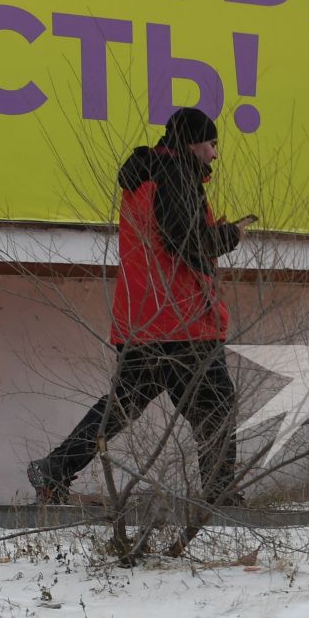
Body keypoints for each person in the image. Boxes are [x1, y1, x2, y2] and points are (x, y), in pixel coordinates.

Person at [28, 107, 258, 505]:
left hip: (144, 319)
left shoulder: (146, 176)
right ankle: (220, 496)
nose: (215, 154)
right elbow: (186, 243)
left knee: (121, 408)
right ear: (192, 143)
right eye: (211, 144)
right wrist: (228, 235)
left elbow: (169, 239)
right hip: (180, 321)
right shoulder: (174, 176)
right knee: (216, 404)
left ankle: (54, 470)